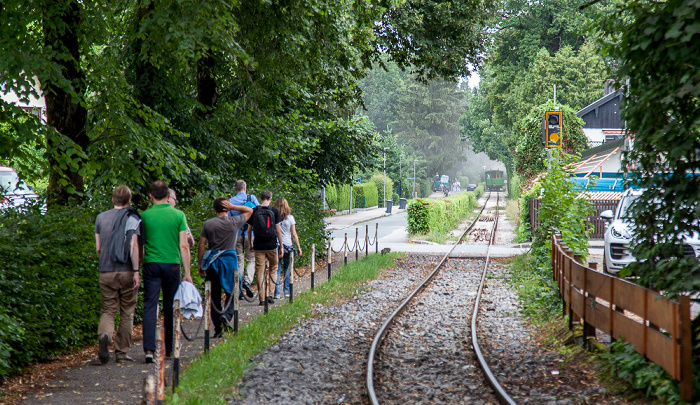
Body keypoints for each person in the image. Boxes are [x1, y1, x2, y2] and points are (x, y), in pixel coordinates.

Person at [141, 180, 193, 363]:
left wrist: (141, 263)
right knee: (171, 305)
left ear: (151, 196)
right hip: (172, 264)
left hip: (151, 264)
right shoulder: (178, 215)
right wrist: (187, 273)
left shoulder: (144, 216)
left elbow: (141, 245)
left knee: (150, 305)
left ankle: (149, 349)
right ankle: (169, 348)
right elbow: (184, 245)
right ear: (168, 195)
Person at [94, 185, 142, 363]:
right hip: (127, 270)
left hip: (106, 271)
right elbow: (134, 246)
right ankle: (121, 353)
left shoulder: (100, 218)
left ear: (113, 200)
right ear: (129, 201)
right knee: (127, 311)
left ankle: (105, 335)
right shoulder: (132, 218)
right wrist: (136, 271)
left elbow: (98, 248)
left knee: (108, 309)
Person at [197, 198, 253, 337]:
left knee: (213, 296)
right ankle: (227, 316)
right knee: (234, 290)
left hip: (212, 263)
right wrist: (233, 206)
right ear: (227, 209)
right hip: (229, 262)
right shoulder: (234, 222)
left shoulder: (208, 224)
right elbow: (250, 210)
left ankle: (218, 329)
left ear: (215, 209)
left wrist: (200, 264)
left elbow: (201, 245)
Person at [247, 190, 283, 306]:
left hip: (258, 245)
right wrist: (281, 246)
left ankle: (262, 299)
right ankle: (270, 295)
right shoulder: (274, 211)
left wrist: (250, 244)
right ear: (271, 198)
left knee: (260, 271)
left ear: (260, 198)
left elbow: (249, 230)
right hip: (272, 244)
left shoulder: (254, 211)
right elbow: (278, 230)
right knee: (273, 268)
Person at [228, 180, 259, 299]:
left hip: (236, 234)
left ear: (236, 189)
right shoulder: (252, 198)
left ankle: (239, 288)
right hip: (250, 234)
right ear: (245, 188)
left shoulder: (230, 201)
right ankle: (247, 281)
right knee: (251, 259)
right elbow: (258, 213)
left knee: (239, 260)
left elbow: (229, 220)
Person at [272, 198, 302, 299]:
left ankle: (276, 293)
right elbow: (294, 234)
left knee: (276, 269)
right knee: (287, 269)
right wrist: (298, 247)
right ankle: (287, 291)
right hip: (288, 246)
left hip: (276, 245)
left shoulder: (273, 217)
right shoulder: (290, 218)